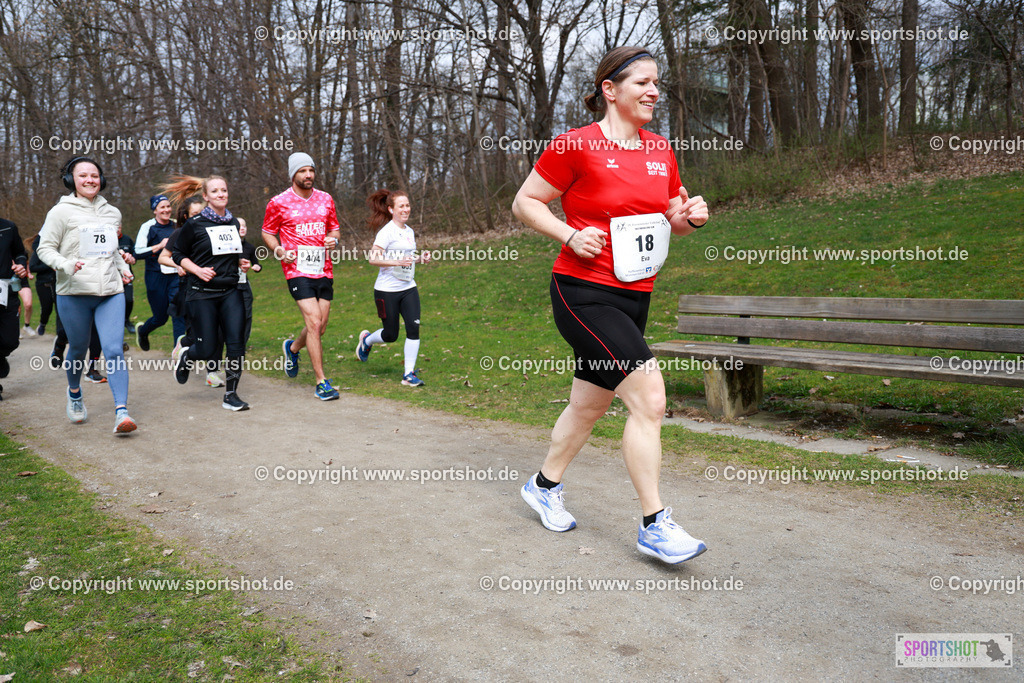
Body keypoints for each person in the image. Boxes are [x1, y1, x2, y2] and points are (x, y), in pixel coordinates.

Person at [511, 47, 709, 564]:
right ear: (610, 89)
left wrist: (692, 215)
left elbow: (672, 218)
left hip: (635, 296)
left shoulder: (660, 150)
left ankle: (543, 485)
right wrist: (569, 234)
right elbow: (526, 202)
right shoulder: (575, 145)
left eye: (657, 84)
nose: (653, 92)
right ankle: (655, 525)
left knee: (588, 406)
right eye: (642, 82)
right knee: (649, 399)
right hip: (582, 294)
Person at [36, 156, 136, 433]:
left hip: (110, 291)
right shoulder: (60, 212)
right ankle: (75, 392)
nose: (90, 180)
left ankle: (122, 412)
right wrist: (65, 265)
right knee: (78, 349)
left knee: (114, 350)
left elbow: (110, 249)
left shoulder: (112, 213)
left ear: (101, 180)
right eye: (83, 176)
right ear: (71, 180)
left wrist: (122, 268)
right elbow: (44, 249)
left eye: (94, 175)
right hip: (74, 292)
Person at [167, 175, 250, 411]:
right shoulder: (195, 224)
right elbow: (177, 254)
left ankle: (231, 395)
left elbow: (231, 253)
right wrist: (197, 270)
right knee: (207, 349)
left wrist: (241, 263)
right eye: (215, 191)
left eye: (224, 190)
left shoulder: (233, 223)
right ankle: (187, 357)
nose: (221, 194)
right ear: (206, 197)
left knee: (236, 345)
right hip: (201, 292)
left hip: (230, 290)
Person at [261, 152, 341, 401]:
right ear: (293, 174)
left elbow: (335, 229)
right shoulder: (278, 202)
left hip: (323, 268)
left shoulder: (326, 199)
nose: (308, 175)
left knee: (320, 326)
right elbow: (267, 232)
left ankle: (293, 348)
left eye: (311, 170)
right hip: (296, 269)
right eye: (302, 171)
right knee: (314, 323)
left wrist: (333, 239)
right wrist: (278, 249)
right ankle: (321, 382)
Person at [355, 189, 430, 386]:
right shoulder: (386, 232)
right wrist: (397, 262)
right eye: (401, 206)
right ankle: (367, 341)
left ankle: (408, 374)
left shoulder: (409, 232)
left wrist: (420, 258)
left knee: (413, 329)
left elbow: (408, 259)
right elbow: (373, 259)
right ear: (391, 209)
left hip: (408, 288)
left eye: (407, 205)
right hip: (386, 291)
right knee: (391, 335)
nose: (406, 209)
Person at [135, 194, 183, 351]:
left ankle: (179, 354)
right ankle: (143, 331)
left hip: (176, 275)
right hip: (156, 277)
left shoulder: (177, 225)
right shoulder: (148, 227)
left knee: (178, 314)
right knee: (161, 317)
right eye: (162, 207)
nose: (167, 210)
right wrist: (159, 245)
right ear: (154, 210)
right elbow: (137, 253)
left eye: (168, 206)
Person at [0, 216, 29, 400]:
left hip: (5, 290)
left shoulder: (8, 227)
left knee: (11, 340)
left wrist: (19, 264)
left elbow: (20, 253)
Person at [236, 217, 261, 348]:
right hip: (229, 286)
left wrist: (257, 267)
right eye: (239, 226)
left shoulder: (249, 247)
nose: (243, 228)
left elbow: (257, 264)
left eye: (244, 226)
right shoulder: (226, 247)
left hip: (244, 285)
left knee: (246, 315)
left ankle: (242, 345)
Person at [30, 234, 55, 335]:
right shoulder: (38, 253)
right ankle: (42, 324)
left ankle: (61, 333)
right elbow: (32, 267)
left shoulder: (58, 252)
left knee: (61, 309)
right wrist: (50, 265)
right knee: (46, 308)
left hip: (57, 283)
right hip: (43, 284)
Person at [117, 225, 137, 333]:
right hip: (112, 278)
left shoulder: (127, 239)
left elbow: (135, 257)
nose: (117, 229)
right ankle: (116, 324)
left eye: (119, 227)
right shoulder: (107, 239)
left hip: (127, 276)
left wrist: (131, 259)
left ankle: (126, 321)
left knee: (129, 299)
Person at [17, 271, 34, 337]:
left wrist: (29, 273)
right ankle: (15, 329)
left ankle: (27, 326)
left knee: (28, 305)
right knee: (16, 307)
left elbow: (26, 264)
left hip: (22, 281)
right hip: (8, 281)